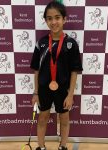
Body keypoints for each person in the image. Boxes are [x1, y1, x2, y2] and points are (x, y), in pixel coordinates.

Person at [30, 1, 83, 150]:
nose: (53, 22)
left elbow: (74, 71)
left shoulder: (71, 44)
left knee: (64, 118)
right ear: (46, 20)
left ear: (64, 19)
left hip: (63, 90)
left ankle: (63, 146)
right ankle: (41, 146)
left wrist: (71, 94)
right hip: (44, 89)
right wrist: (35, 92)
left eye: (57, 17)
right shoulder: (41, 44)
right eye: (49, 18)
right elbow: (36, 69)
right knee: (43, 118)